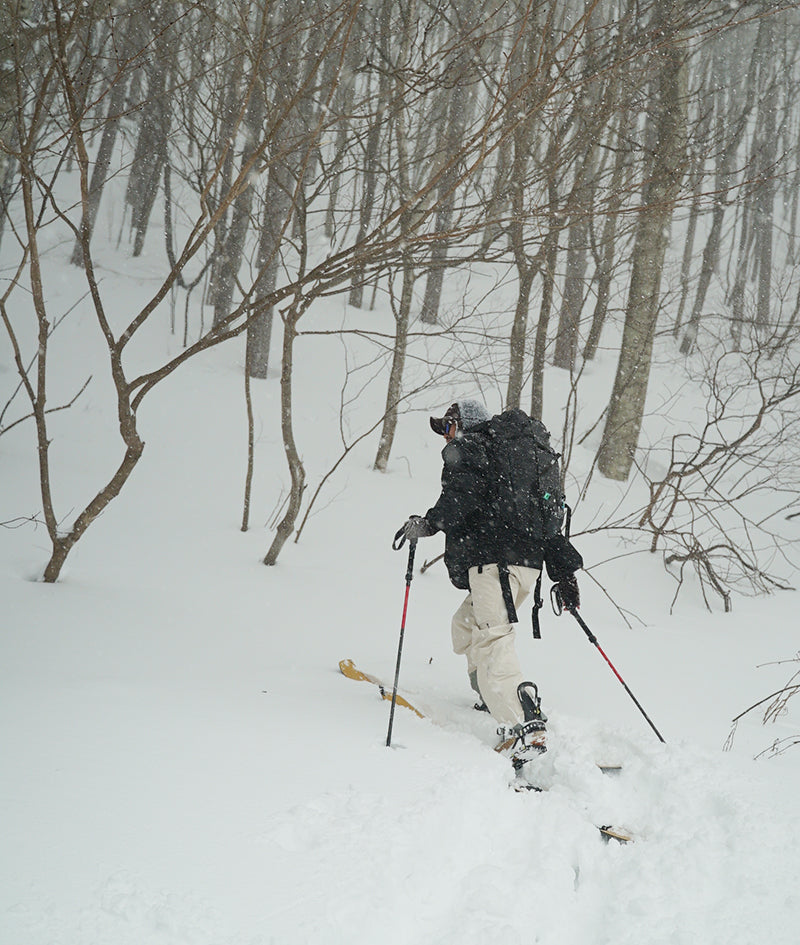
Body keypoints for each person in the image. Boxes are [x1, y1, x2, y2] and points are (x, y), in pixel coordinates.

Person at [397, 399, 582, 766]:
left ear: (462, 425)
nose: (446, 438)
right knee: (465, 625)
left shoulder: (473, 449)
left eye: (448, 428)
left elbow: (460, 495)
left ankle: (524, 727)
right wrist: (564, 573)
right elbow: (548, 526)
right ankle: (488, 694)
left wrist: (430, 523)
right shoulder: (516, 465)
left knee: (493, 638)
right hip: (523, 567)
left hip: (494, 566)